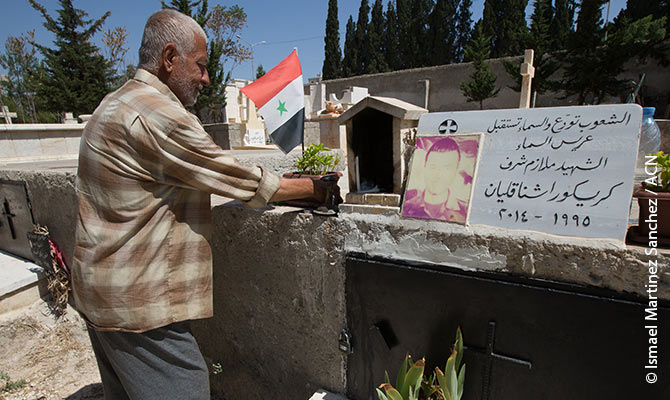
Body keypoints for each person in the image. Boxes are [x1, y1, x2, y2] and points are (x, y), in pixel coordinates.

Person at [71, 9, 338, 400]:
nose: (206, 78)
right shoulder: (156, 113)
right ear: (169, 58)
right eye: (200, 66)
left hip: (103, 293)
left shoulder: (115, 102)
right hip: (141, 306)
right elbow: (234, 177)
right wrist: (313, 189)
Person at [402, 137, 469, 223]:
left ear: (455, 171)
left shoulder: (465, 212)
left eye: (447, 168)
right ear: (425, 167)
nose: (438, 175)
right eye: (433, 166)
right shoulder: (407, 206)